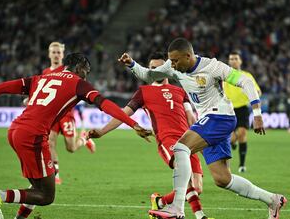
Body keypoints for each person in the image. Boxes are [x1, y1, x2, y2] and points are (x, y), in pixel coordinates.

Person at [119, 38, 286, 219]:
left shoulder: (212, 67)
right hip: (209, 120)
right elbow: (148, 75)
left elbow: (245, 81)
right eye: (170, 61)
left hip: (220, 116)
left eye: (175, 61)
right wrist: (132, 64)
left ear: (188, 56)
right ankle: (273, 200)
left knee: (181, 147)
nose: (172, 65)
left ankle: (176, 208)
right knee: (222, 179)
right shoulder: (173, 66)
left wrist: (257, 113)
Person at [0, 53, 152, 219]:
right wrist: (133, 124)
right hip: (33, 136)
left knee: (41, 182)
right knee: (47, 196)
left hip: (15, 130)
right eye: (86, 71)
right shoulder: (78, 83)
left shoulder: (40, 78)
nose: (86, 76)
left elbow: (2, 87)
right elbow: (105, 104)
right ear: (78, 67)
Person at [89, 52, 212, 219]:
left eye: (160, 68)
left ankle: (160, 202)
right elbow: (124, 113)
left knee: (197, 187)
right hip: (168, 140)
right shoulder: (143, 92)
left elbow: (191, 118)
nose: (157, 71)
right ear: (149, 70)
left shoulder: (180, 91)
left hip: (189, 140)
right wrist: (102, 132)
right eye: (153, 68)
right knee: (185, 176)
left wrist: (203, 139)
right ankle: (200, 216)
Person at [44, 42, 96, 185]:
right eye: (53, 52)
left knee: (71, 148)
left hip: (67, 113)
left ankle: (84, 139)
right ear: (49, 54)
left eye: (58, 52)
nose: (56, 55)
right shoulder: (45, 73)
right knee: (50, 143)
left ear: (62, 55)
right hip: (53, 114)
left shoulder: (68, 70)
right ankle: (56, 174)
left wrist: (80, 108)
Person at [223, 51, 261, 173]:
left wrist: (252, 93)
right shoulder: (225, 76)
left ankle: (242, 165)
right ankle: (233, 142)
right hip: (228, 109)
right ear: (229, 61)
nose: (233, 60)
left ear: (240, 61)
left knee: (242, 133)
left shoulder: (247, 76)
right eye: (231, 59)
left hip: (243, 109)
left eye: (235, 58)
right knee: (232, 138)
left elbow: (258, 92)